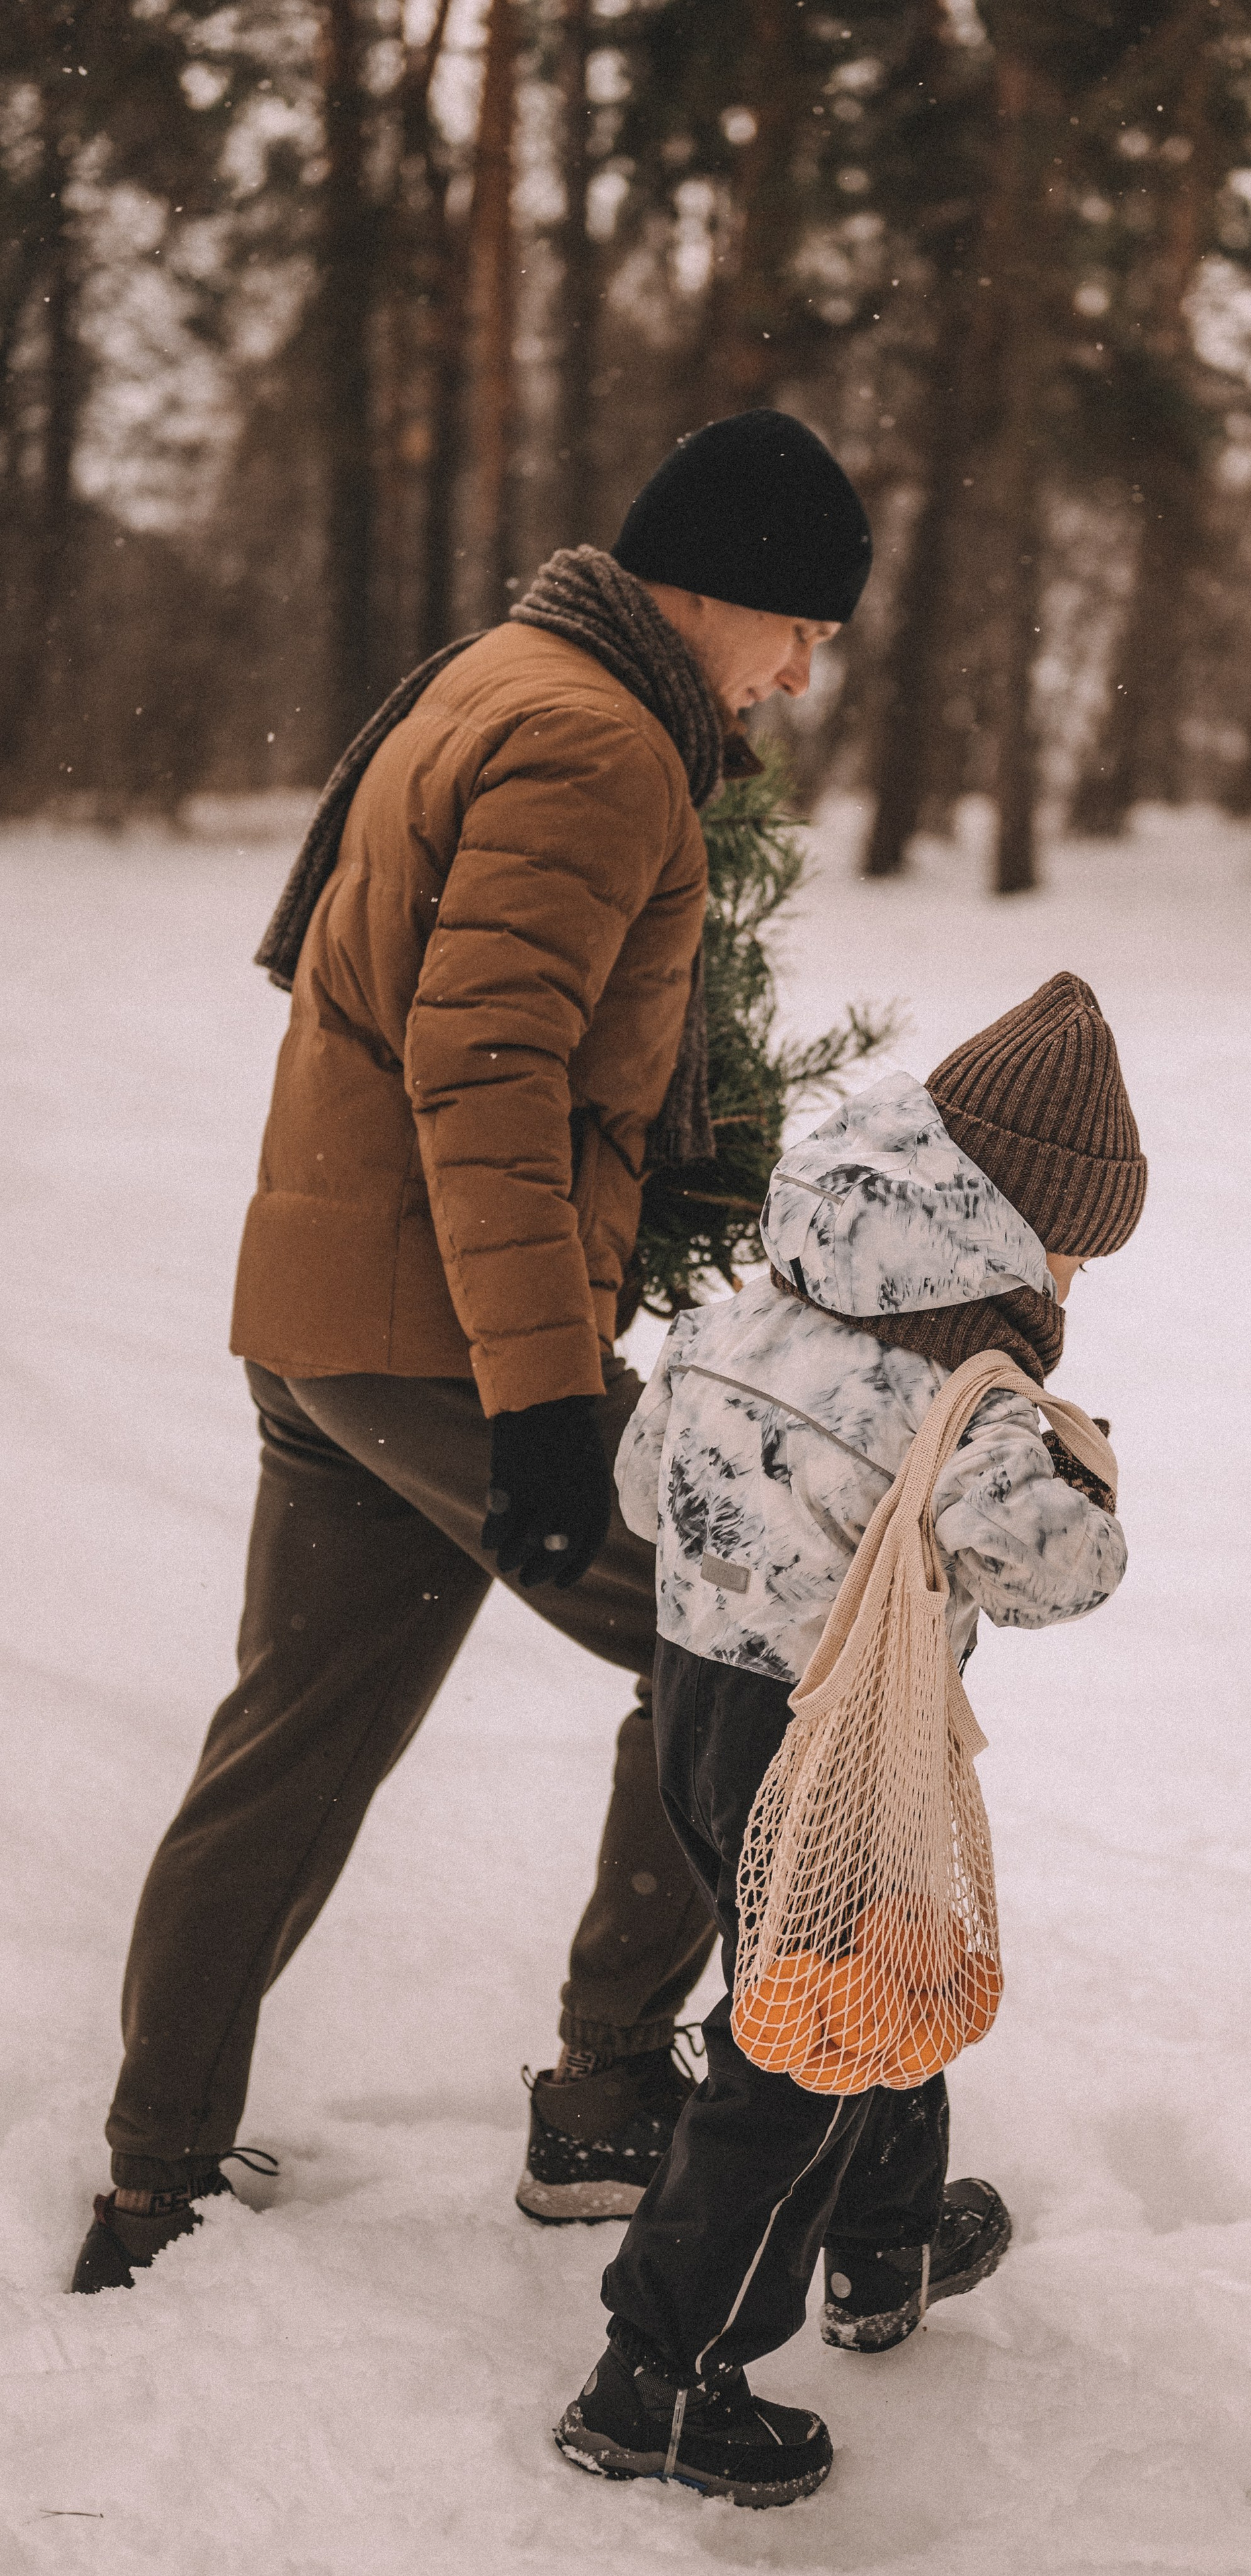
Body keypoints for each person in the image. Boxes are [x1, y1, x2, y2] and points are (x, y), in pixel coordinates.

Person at [71, 410, 872, 2294]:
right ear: (713, 587)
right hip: (445, 1329)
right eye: (803, 627)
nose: (805, 667)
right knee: (739, 1647)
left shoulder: (497, 673)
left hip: (334, 1306)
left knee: (291, 1744)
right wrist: (536, 1402)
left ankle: (157, 2174)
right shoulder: (599, 742)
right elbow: (489, 1066)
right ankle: (605, 2098)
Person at [552, 973, 1146, 2505]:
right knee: (798, 2044)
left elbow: (639, 1490)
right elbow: (1051, 1574)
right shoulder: (966, 1393)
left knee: (868, 1976)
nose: (1076, 1279)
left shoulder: (749, 1306)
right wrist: (1083, 1483)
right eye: (1075, 1244)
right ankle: (656, 2375)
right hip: (829, 1738)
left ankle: (881, 2245)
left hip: (696, 1700)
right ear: (1015, 1226)